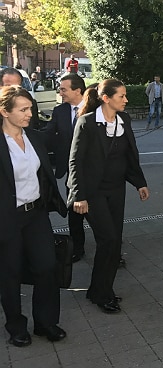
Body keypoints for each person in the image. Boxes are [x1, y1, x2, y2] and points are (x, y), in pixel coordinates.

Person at [68, 79, 149, 314]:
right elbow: (75, 161)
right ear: (106, 98)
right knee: (109, 239)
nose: (126, 100)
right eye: (121, 96)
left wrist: (139, 183)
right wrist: (78, 196)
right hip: (93, 192)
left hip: (116, 190)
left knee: (114, 242)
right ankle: (102, 293)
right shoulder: (87, 123)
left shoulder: (124, 120)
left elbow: (129, 155)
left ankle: (100, 289)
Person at [0, 85, 68, 347]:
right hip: (8, 219)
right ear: (5, 111)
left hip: (35, 215)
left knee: (47, 267)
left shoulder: (34, 137)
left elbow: (45, 173)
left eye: (31, 108)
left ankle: (45, 322)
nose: (30, 114)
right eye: (24, 109)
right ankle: (16, 326)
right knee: (10, 273)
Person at [43, 73, 87, 263]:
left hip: (94, 170)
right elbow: (47, 134)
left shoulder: (94, 109)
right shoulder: (59, 111)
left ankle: (112, 249)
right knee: (74, 209)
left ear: (77, 91)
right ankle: (78, 248)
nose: (59, 92)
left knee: (100, 211)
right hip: (72, 172)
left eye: (63, 89)